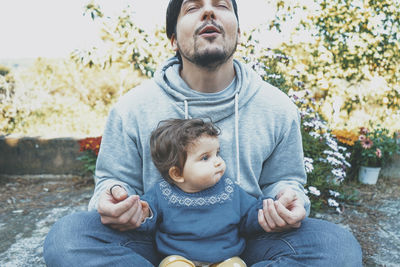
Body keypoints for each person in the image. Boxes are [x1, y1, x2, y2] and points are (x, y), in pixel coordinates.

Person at [44, 0, 362, 266]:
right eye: (193, 7)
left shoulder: (277, 107)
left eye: (221, 5)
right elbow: (113, 182)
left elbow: (285, 180)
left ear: (238, 30)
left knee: (337, 247)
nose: (209, 12)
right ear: (172, 38)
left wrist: (286, 200)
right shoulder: (132, 108)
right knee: (68, 238)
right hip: (153, 243)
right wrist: (115, 198)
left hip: (246, 241)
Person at [138, 118, 268, 267]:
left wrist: (268, 211)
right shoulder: (161, 193)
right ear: (177, 174)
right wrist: (143, 214)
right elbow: (148, 219)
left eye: (217, 153)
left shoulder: (230, 189)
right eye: (205, 157)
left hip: (225, 258)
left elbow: (250, 214)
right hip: (178, 257)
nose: (218, 161)